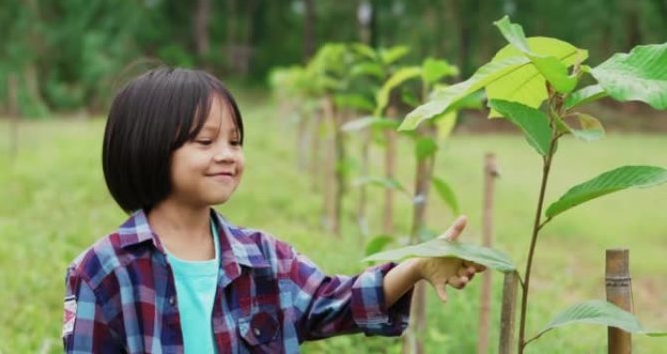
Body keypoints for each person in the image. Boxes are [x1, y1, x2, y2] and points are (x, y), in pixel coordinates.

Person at [62, 67, 484, 353]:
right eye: (206, 143)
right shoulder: (103, 271)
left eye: (235, 141)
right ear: (147, 148)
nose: (227, 155)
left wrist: (412, 268)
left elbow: (333, 303)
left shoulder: (264, 258)